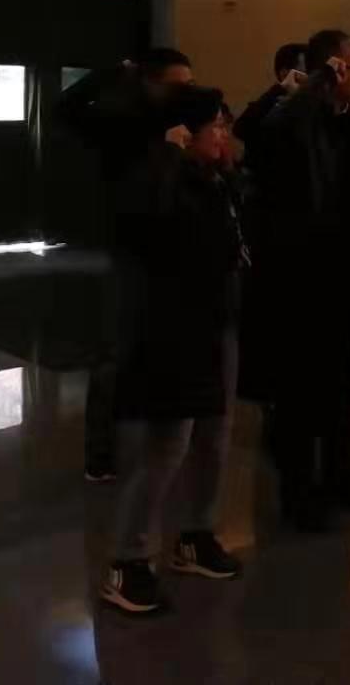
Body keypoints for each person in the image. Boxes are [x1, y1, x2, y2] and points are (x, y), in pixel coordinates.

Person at [101, 84, 244, 615]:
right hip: (171, 330)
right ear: (183, 133)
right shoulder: (153, 180)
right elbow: (147, 232)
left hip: (214, 323)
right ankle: (128, 560)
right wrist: (166, 156)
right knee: (168, 446)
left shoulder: (214, 181)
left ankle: (196, 535)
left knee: (214, 437)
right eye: (215, 126)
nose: (224, 135)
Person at [256, 30, 350, 530]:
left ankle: (340, 471)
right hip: (303, 276)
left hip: (347, 272)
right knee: (301, 386)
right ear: (332, 69)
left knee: (345, 379)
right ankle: (298, 488)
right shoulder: (293, 121)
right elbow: (274, 157)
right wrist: (312, 88)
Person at [56, 48, 194, 483]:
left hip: (174, 248)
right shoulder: (121, 122)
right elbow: (67, 108)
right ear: (151, 82)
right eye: (175, 86)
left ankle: (156, 441)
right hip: (131, 247)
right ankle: (101, 453)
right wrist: (114, 72)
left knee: (164, 347)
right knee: (115, 351)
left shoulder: (182, 122)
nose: (183, 95)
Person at [231, 42, 306, 410]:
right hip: (268, 221)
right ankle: (266, 386)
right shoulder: (269, 110)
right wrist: (278, 93)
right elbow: (244, 128)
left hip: (302, 223)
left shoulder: (311, 112)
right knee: (267, 308)